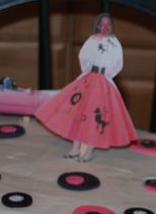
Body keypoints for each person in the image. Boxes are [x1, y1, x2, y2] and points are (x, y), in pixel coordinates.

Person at [35, 14, 137, 162]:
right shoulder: (92, 40)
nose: (105, 27)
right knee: (79, 112)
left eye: (108, 24)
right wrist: (87, 71)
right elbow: (83, 56)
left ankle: (89, 150)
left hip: (103, 81)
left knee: (96, 115)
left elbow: (118, 63)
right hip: (89, 78)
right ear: (98, 26)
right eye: (102, 24)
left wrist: (107, 75)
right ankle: (75, 148)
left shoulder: (115, 43)